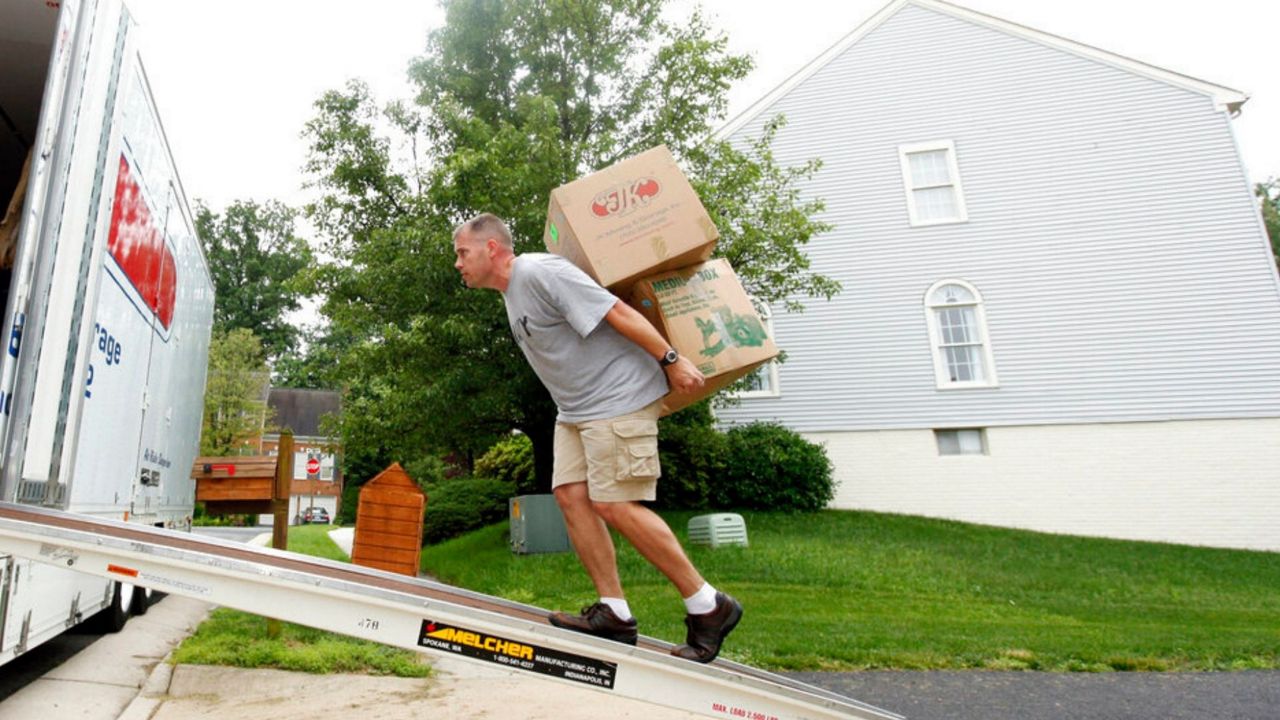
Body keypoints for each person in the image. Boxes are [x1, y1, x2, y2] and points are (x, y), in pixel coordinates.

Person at [452, 212, 742, 663]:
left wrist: (671, 359)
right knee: (569, 494)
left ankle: (708, 605)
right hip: (576, 411)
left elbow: (617, 311)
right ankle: (614, 612)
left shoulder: (539, 271)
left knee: (615, 503)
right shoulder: (512, 292)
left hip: (618, 398)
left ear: (492, 249)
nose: (458, 263)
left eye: (462, 252)